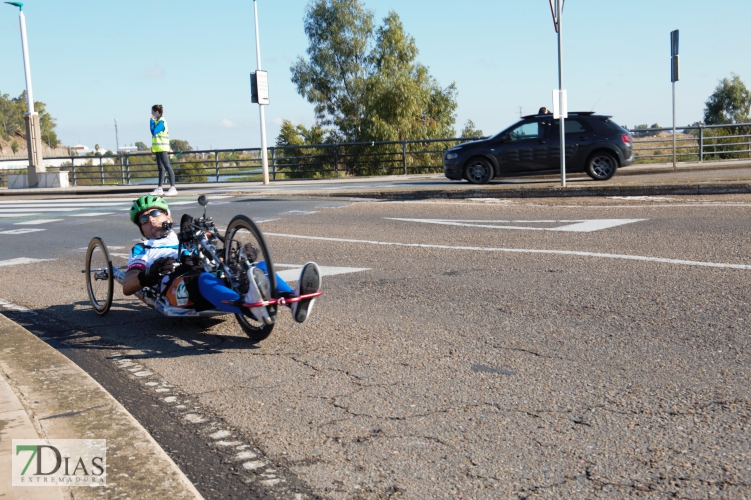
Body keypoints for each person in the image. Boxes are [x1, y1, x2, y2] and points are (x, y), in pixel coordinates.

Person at [123, 195, 321, 324]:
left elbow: (218, 252)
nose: (150, 219)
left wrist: (242, 255)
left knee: (257, 266)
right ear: (141, 228)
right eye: (143, 219)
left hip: (204, 268)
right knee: (203, 279)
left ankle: (292, 299)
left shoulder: (189, 234)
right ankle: (249, 308)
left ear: (168, 216)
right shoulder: (143, 248)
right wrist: (150, 273)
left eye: (155, 213)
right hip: (176, 287)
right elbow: (128, 284)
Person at [150, 105, 177, 196]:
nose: (151, 113)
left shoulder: (161, 122)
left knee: (167, 166)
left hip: (162, 148)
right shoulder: (157, 121)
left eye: (153, 111)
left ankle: (173, 187)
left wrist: (151, 121)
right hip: (158, 148)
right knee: (161, 168)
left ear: (157, 112)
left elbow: (154, 131)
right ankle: (159, 188)